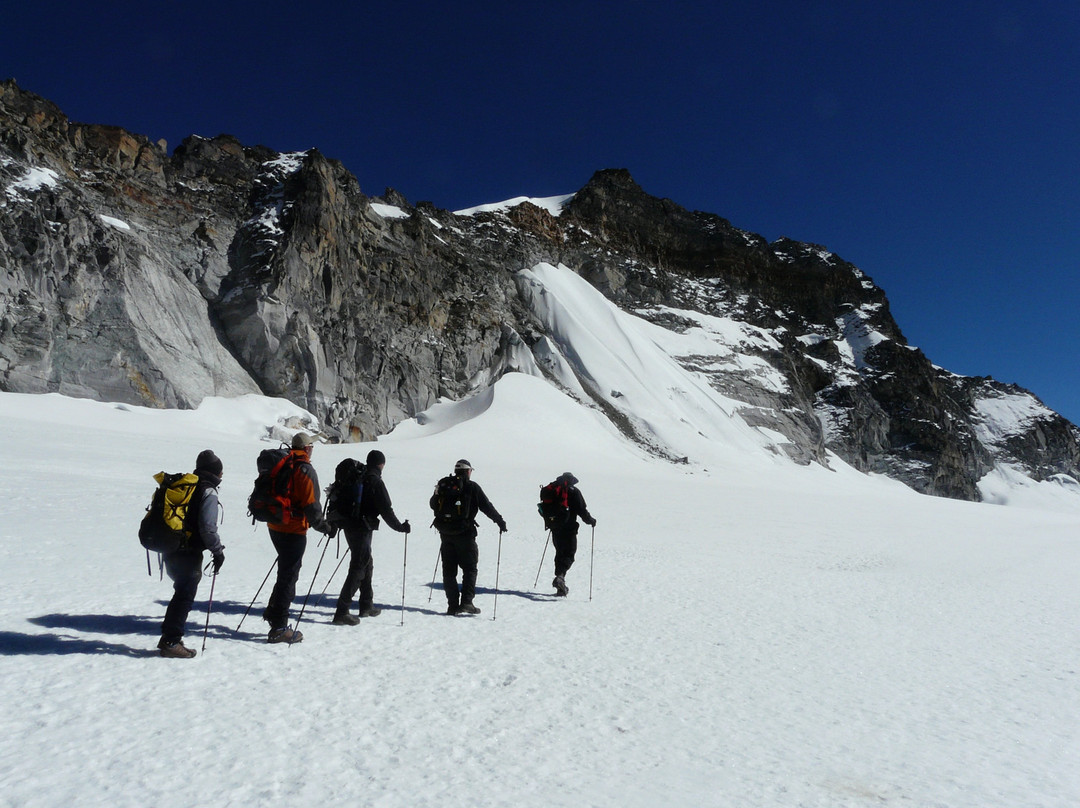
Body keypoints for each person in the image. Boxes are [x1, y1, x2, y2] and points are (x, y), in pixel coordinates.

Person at [262, 432, 332, 644]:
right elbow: (312, 507)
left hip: (274, 524)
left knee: (284, 570)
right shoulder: (305, 470)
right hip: (293, 529)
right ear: (308, 448)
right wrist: (325, 527)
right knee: (289, 575)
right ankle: (279, 627)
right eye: (312, 446)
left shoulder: (283, 462)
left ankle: (274, 612)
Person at [157, 450, 226, 658]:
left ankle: (170, 637)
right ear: (215, 471)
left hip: (170, 544)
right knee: (184, 594)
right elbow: (207, 528)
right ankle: (171, 641)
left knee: (181, 591)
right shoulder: (208, 491)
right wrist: (218, 551)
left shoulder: (187, 484)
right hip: (188, 549)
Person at [333, 449, 411, 625]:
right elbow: (386, 510)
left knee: (366, 563)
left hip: (349, 526)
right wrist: (400, 527)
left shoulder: (358, 476)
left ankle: (366, 605)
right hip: (362, 528)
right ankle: (342, 611)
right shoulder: (375, 481)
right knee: (359, 566)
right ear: (381, 464)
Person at [430, 459, 506, 615]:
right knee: (470, 569)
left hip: (446, 534)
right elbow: (486, 506)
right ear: (468, 471)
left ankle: (452, 605)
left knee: (449, 571)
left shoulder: (444, 484)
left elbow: (433, 504)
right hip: (465, 534)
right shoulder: (472, 487)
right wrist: (499, 521)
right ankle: (466, 603)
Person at [548, 472, 596, 597]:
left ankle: (560, 582)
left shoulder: (553, 489)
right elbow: (582, 510)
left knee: (560, 553)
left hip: (555, 527)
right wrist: (590, 521)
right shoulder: (574, 491)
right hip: (569, 528)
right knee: (569, 553)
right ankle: (560, 578)